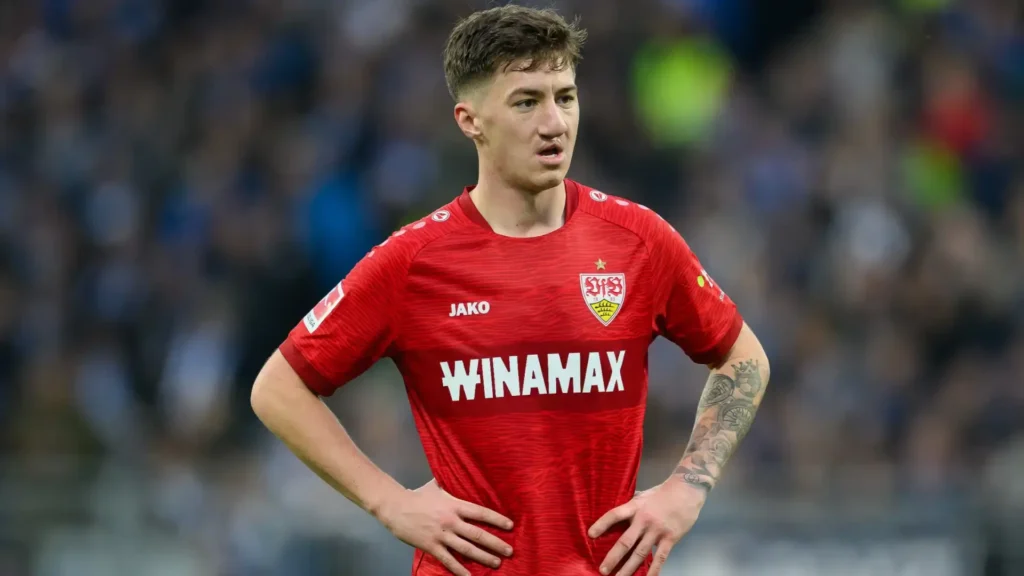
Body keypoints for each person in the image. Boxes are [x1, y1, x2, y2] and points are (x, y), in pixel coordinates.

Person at [250, 4, 770, 576]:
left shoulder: (638, 240)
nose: (554, 122)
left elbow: (743, 357)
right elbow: (278, 389)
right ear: (470, 120)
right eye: (526, 102)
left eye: (565, 97)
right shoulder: (413, 261)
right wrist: (389, 502)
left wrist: (688, 487)